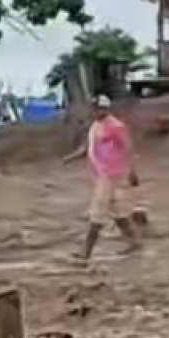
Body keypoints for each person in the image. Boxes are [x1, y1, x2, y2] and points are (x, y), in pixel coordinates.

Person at [63, 94, 141, 261]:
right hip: (103, 174)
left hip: (111, 175)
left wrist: (132, 171)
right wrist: (70, 158)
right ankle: (134, 242)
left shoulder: (115, 126)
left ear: (107, 108)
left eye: (100, 108)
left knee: (98, 211)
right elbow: (87, 147)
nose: (97, 111)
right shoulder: (96, 126)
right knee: (118, 211)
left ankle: (86, 250)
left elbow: (128, 148)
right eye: (95, 108)